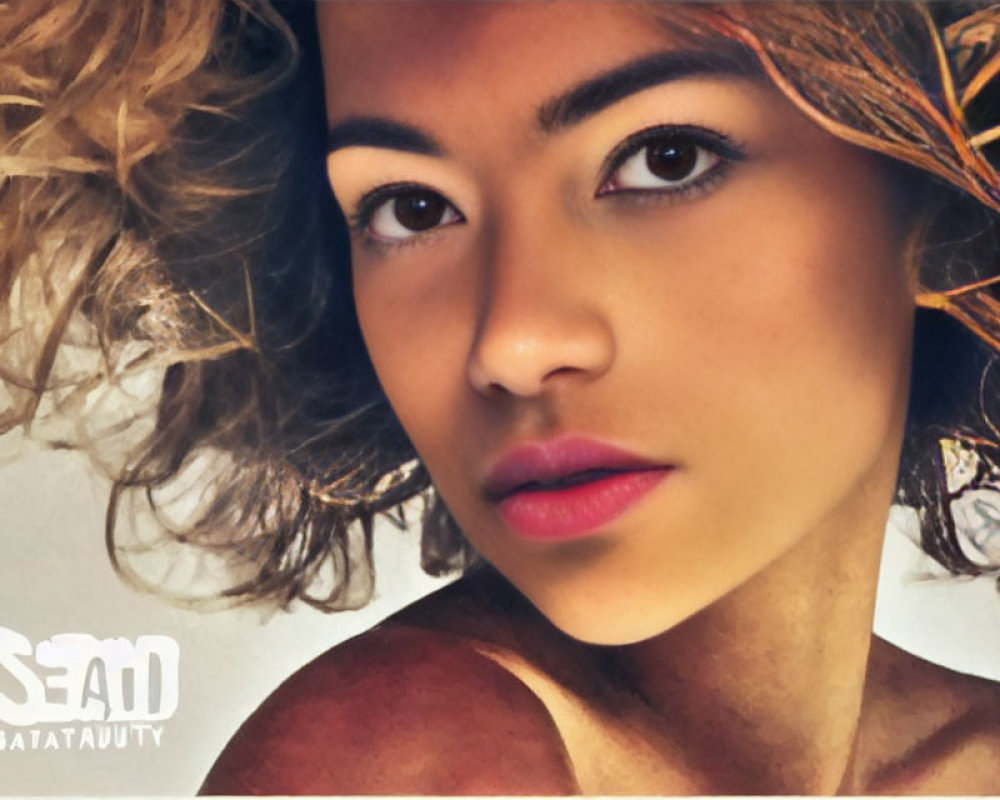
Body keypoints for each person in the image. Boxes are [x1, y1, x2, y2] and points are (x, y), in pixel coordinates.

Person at [5, 0, 1000, 794]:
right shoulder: (405, 765)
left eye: (662, 158)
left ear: (942, 187)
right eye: (413, 207)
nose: (512, 342)